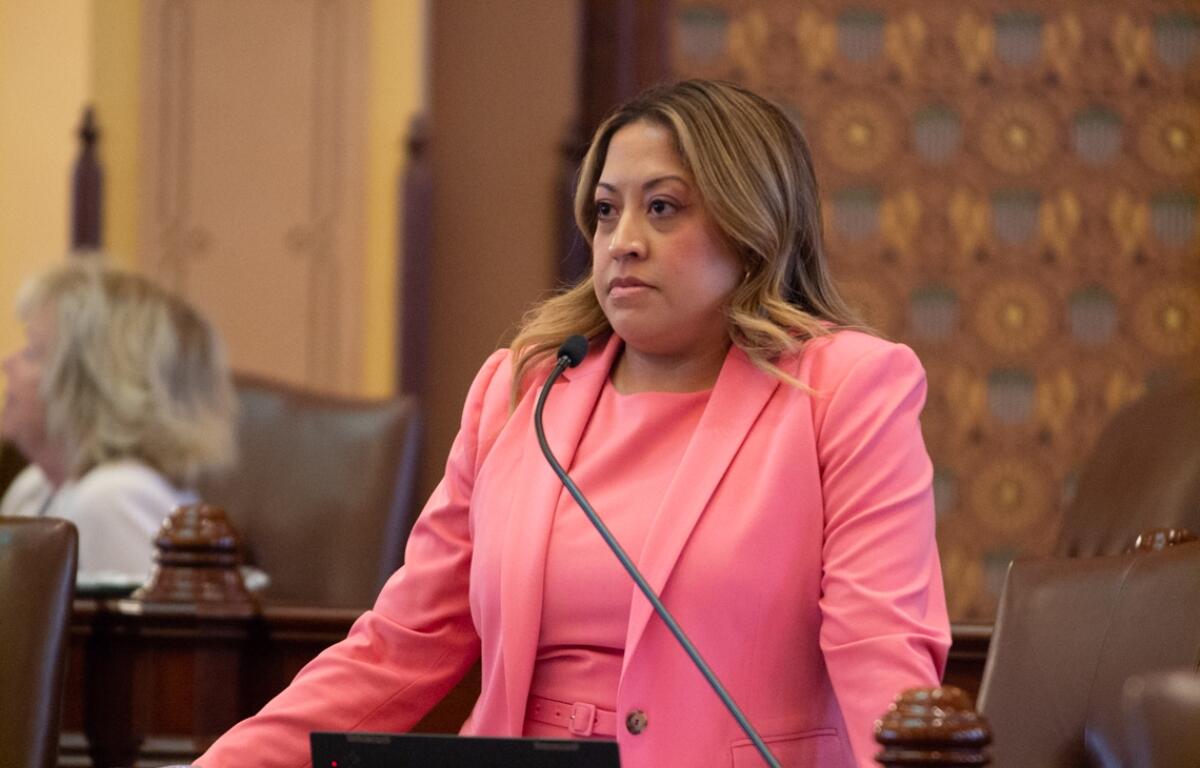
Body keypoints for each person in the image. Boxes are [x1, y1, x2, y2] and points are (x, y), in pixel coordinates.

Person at [197, 79, 949, 768]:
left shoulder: (844, 389)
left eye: (662, 207)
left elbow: (880, 650)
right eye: (605, 210)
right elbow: (399, 646)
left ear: (753, 228)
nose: (622, 240)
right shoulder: (523, 388)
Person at [0, 261, 235, 584]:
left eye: (34, 351)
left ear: (94, 382)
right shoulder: (33, 488)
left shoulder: (116, 496)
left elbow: (163, 632)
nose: (6, 364)